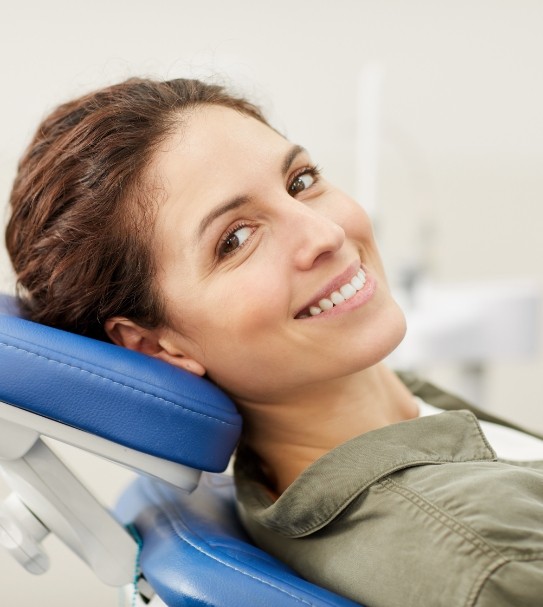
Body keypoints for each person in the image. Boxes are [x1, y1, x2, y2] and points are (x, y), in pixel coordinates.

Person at [4, 77, 543, 607]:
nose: (324, 234)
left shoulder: (373, 446)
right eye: (235, 240)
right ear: (154, 346)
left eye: (301, 181)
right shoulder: (492, 559)